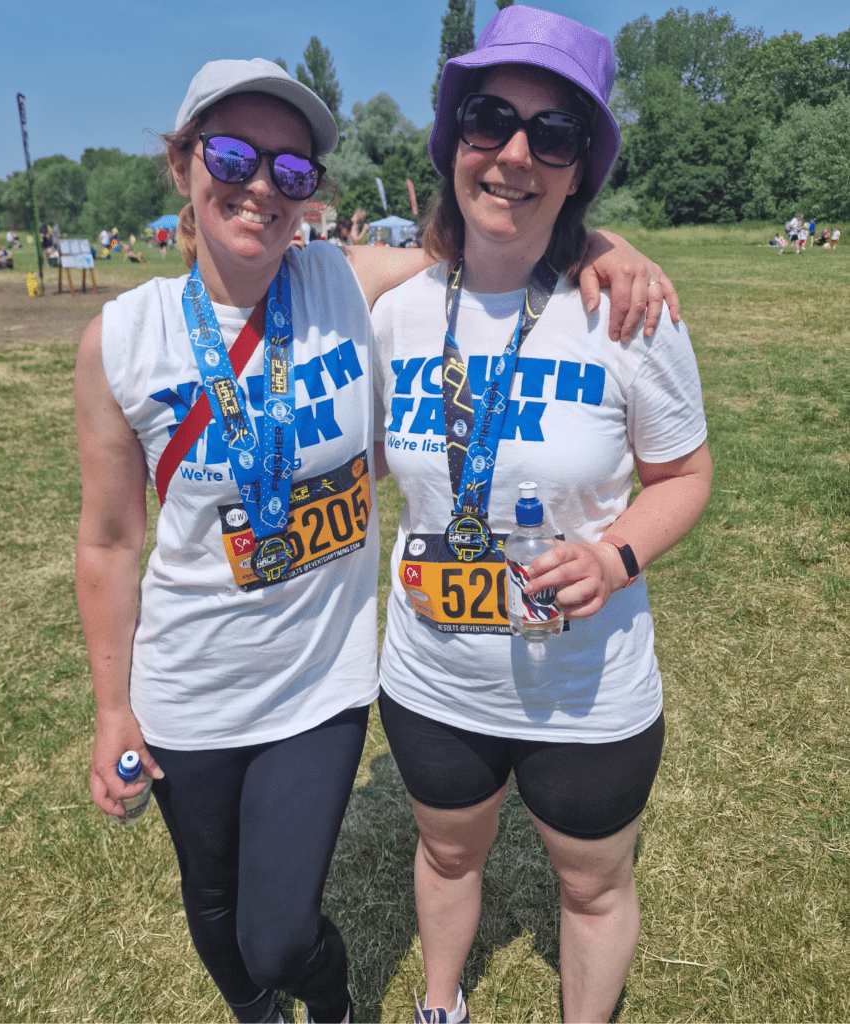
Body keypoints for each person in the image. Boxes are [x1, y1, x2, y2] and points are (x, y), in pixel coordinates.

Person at [75, 55, 679, 1024]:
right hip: (185, 682)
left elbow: (497, 235)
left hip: (319, 683)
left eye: (295, 169)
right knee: (215, 905)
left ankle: (328, 997)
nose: (263, 184)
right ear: (184, 162)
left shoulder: (345, 281)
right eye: (233, 153)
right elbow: (107, 541)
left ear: (313, 192)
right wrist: (113, 709)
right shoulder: (123, 337)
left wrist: (603, 240)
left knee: (275, 933)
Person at [370, 8, 712, 1024]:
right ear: (453, 141)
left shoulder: (628, 311)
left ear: (579, 169)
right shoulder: (393, 309)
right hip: (435, 673)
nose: (516, 154)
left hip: (588, 685)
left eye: (553, 134)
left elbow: (686, 475)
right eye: (490, 120)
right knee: (445, 851)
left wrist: (613, 558)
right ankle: (441, 1005)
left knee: (593, 884)